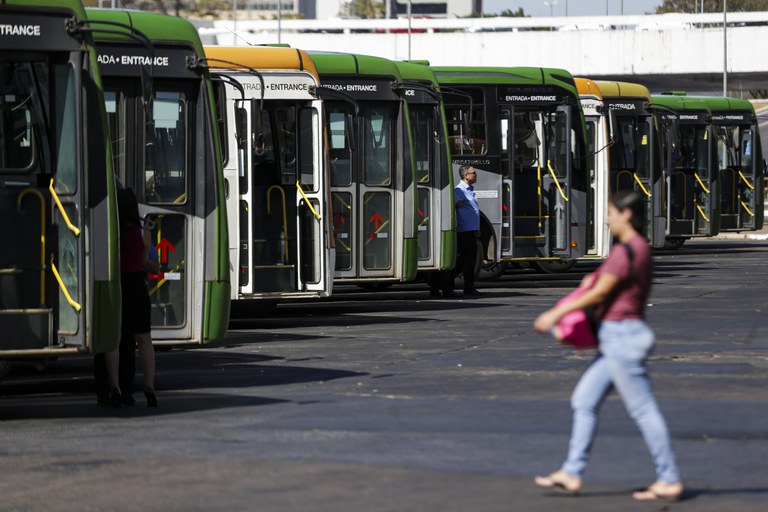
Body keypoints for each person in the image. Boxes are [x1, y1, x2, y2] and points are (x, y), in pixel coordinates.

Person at [532, 190, 683, 501]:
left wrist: (555, 313)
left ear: (626, 214)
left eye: (611, 212)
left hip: (621, 338)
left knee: (643, 410)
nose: (606, 218)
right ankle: (572, 472)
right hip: (618, 337)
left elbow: (599, 293)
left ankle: (669, 478)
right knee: (584, 401)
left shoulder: (626, 250)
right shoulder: (639, 248)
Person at [116, 188, 159, 407]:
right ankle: (149, 385)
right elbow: (147, 263)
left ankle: (119, 387)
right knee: (144, 339)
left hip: (118, 286)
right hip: (137, 287)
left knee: (118, 340)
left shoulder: (112, 230)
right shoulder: (143, 233)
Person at [445, 165, 481, 297]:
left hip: (471, 230)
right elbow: (454, 204)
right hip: (464, 231)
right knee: (466, 261)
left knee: (470, 261)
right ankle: (463, 288)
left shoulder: (470, 190)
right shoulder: (459, 190)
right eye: (473, 173)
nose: (475, 175)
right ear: (466, 175)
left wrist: (477, 229)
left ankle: (469, 287)